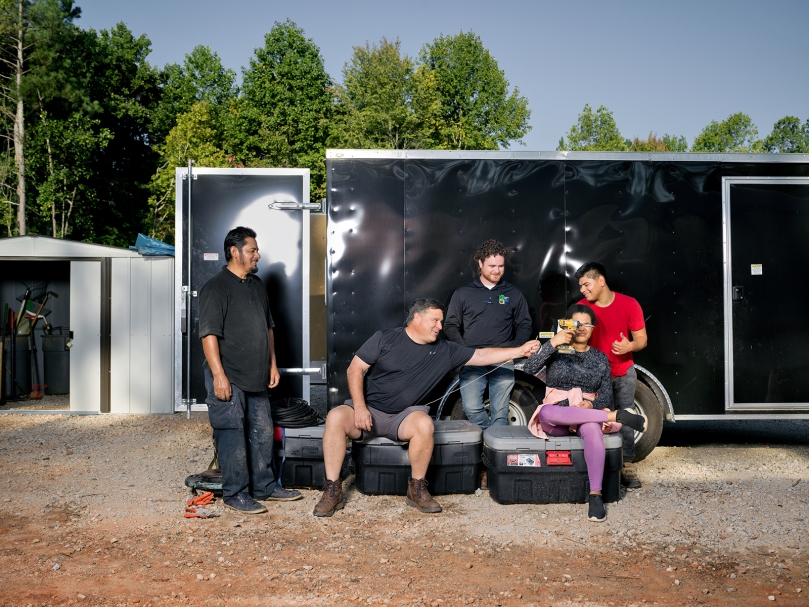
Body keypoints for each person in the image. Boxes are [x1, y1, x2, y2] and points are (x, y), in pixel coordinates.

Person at [313, 298, 539, 517]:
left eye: (441, 322)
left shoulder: (446, 350)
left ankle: (417, 489)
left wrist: (519, 351)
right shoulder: (385, 339)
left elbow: (481, 355)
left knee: (424, 423)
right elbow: (354, 369)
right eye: (435, 321)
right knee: (335, 417)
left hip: (403, 418)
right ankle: (332, 490)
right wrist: (360, 407)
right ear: (417, 318)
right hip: (368, 412)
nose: (440, 327)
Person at [198, 226, 302, 515]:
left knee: (262, 432)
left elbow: (268, 327)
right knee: (231, 435)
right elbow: (208, 334)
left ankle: (264, 487)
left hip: (257, 375)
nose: (258, 254)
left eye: (256, 250)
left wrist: (272, 364)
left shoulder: (257, 285)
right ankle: (236, 493)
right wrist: (219, 376)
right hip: (229, 376)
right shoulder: (216, 288)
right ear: (235, 252)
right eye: (252, 250)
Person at [522, 304, 647, 521]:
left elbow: (606, 395)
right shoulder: (556, 350)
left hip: (587, 414)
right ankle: (616, 416)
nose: (581, 328)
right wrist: (552, 342)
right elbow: (528, 368)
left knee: (591, 428)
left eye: (586, 324)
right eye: (576, 323)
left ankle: (595, 495)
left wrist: (591, 406)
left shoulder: (599, 358)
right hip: (558, 416)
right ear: (567, 324)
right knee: (547, 413)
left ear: (593, 328)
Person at [444, 239, 533, 431]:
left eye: (501, 266)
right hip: (474, 359)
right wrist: (466, 351)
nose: (497, 270)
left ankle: (496, 452)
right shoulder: (463, 293)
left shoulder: (513, 293)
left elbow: (525, 324)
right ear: (480, 263)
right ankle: (490, 438)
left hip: (503, 359)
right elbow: (450, 325)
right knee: (472, 408)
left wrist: (513, 349)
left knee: (501, 412)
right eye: (492, 266)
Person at [575, 261, 648, 489]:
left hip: (623, 373)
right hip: (593, 376)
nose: (583, 290)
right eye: (580, 287)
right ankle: (599, 467)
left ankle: (627, 464)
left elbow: (642, 340)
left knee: (624, 417)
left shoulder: (629, 304)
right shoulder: (581, 307)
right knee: (594, 420)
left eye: (586, 285)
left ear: (601, 280)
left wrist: (630, 347)